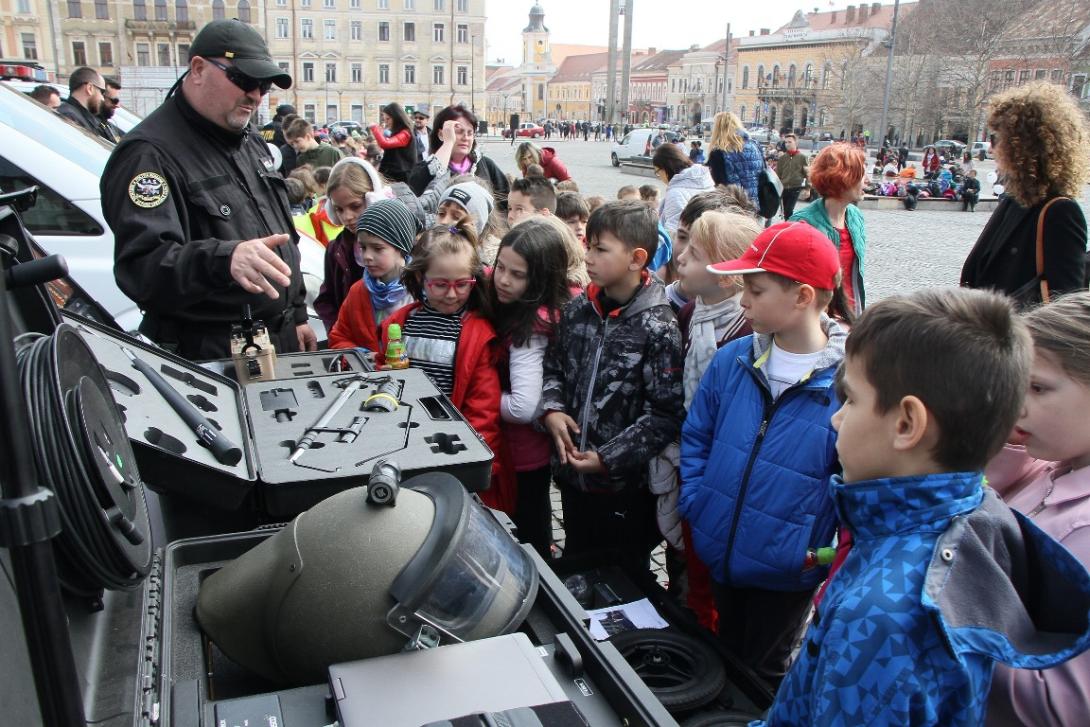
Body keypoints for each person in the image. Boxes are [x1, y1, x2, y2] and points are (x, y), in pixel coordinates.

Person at [753, 287, 1090, 727]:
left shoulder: (883, 618)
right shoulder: (974, 504)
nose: (837, 418)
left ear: (907, 423)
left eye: (851, 400)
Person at [680, 221, 846, 685]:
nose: (744, 300)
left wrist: (816, 552)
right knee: (724, 656)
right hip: (722, 546)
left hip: (787, 569)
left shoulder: (848, 385)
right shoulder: (733, 359)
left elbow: (852, 480)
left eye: (755, 288)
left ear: (802, 296)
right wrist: (698, 501)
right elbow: (697, 433)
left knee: (763, 673)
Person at [101, 19, 315, 360]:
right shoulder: (148, 154)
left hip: (276, 341)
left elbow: (281, 235)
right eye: (244, 80)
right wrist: (224, 258)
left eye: (263, 85)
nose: (256, 95)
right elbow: (143, 269)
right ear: (198, 69)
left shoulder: (250, 142)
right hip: (212, 353)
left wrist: (298, 313)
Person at [541, 201, 684, 578]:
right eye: (588, 246)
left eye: (600, 249)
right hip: (572, 476)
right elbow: (554, 365)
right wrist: (552, 409)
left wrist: (608, 457)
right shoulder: (577, 310)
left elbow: (664, 414)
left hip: (624, 487)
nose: (587, 257)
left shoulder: (659, 326)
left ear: (637, 259)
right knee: (575, 560)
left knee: (621, 575)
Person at [986, 292, 1090, 726]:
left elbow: (1066, 703)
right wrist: (1009, 439)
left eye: (1039, 388)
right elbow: (988, 499)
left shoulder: (1083, 531)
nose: (1018, 404)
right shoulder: (1052, 468)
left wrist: (943, 633)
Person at [374, 221, 516, 514]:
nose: (452, 294)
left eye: (462, 284)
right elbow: (383, 376)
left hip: (452, 448)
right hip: (404, 441)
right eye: (440, 284)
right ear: (420, 278)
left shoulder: (477, 333)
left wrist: (475, 465)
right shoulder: (399, 325)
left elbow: (483, 410)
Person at [488, 218, 574, 558]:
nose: (503, 280)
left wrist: (475, 400)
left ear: (540, 278)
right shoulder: (519, 308)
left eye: (517, 275)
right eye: (500, 267)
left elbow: (524, 407)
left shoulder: (531, 328)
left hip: (523, 456)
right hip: (521, 454)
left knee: (528, 540)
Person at [961, 82, 1090, 307]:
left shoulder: (1060, 212)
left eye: (996, 139)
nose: (991, 149)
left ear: (1022, 146)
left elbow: (1063, 306)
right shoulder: (1014, 200)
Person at [312, 158, 396, 331]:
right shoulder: (336, 250)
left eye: (355, 206)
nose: (347, 216)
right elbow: (326, 300)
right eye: (339, 209)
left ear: (375, 198)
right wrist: (338, 332)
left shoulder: (399, 242)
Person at [326, 198, 417, 351]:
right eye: (363, 247)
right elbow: (339, 337)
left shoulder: (421, 291)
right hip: (370, 373)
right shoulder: (358, 291)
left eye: (377, 248)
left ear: (401, 247)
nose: (367, 256)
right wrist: (362, 357)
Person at [790, 143, 868, 316]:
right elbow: (790, 283)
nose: (867, 181)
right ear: (843, 178)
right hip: (817, 319)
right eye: (861, 175)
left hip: (851, 315)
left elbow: (855, 275)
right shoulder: (802, 223)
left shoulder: (855, 216)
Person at [408, 105, 510, 209]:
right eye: (458, 132)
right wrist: (448, 142)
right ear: (441, 134)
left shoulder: (486, 165)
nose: (466, 138)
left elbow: (505, 200)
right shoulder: (425, 169)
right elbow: (414, 196)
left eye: (470, 133)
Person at [652, 142, 714, 240]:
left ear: (665, 168)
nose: (659, 177)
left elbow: (672, 234)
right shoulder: (705, 179)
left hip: (688, 248)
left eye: (657, 172)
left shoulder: (676, 193)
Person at [706, 111, 764, 202]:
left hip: (735, 206)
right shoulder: (754, 145)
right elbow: (763, 171)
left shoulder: (719, 153)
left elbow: (720, 185)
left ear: (717, 129)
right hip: (759, 203)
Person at [56, 66, 114, 143]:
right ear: (89, 88)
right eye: (102, 92)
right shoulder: (69, 117)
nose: (102, 98)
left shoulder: (83, 116)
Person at [369, 102, 420, 184]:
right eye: (385, 119)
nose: (386, 122)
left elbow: (385, 144)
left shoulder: (405, 134)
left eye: (388, 119)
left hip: (399, 178)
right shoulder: (400, 133)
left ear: (396, 117)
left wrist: (374, 128)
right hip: (394, 176)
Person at [775, 133, 808, 219]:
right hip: (784, 187)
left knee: (789, 209)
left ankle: (790, 225)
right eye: (786, 142)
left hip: (795, 187)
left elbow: (808, 174)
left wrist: (807, 188)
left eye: (790, 142)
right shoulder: (783, 158)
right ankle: (788, 225)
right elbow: (778, 174)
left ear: (795, 143)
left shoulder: (802, 157)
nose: (787, 144)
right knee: (785, 211)